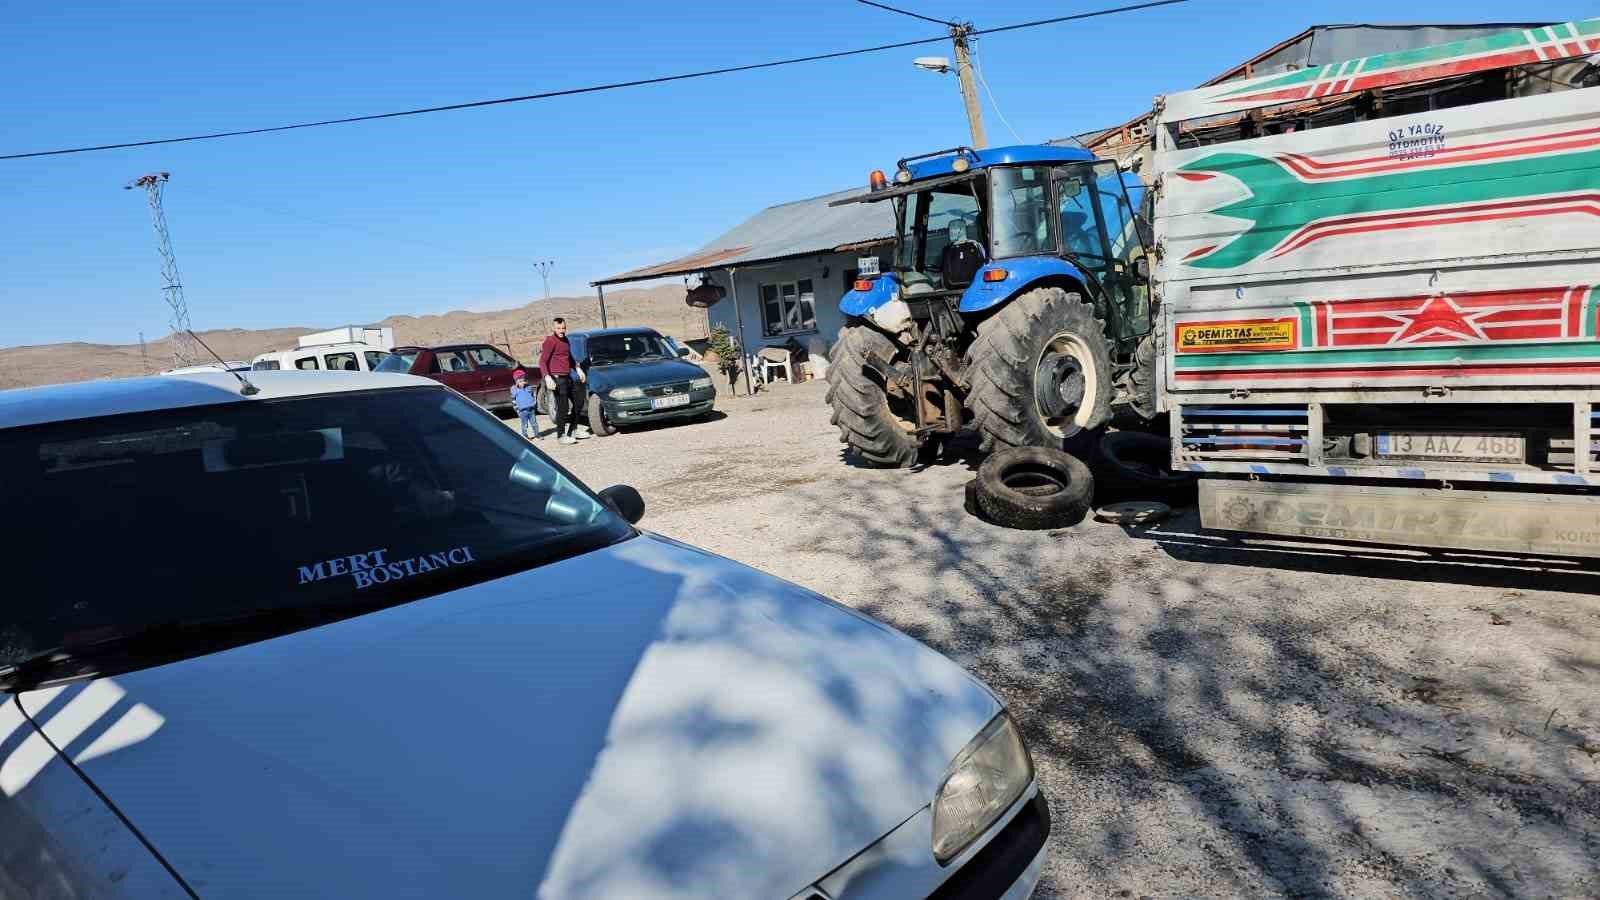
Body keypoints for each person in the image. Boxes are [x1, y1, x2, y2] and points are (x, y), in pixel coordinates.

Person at [538, 318, 591, 446]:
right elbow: (542, 361)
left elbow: (569, 358)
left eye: (563, 328)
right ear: (554, 328)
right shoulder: (550, 341)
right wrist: (547, 377)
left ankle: (573, 431)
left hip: (567, 377)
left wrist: (578, 369)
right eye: (558, 328)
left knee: (579, 401)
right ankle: (561, 435)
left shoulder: (566, 340)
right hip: (556, 379)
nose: (561, 331)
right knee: (563, 407)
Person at [510, 369, 540, 440]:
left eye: (523, 380)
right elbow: (513, 401)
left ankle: (537, 435)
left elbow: (533, 395)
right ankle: (525, 436)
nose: (522, 383)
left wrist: (534, 403)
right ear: (516, 382)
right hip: (522, 411)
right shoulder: (514, 390)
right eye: (520, 381)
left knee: (534, 424)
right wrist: (517, 410)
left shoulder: (528, 387)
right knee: (524, 425)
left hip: (531, 409)